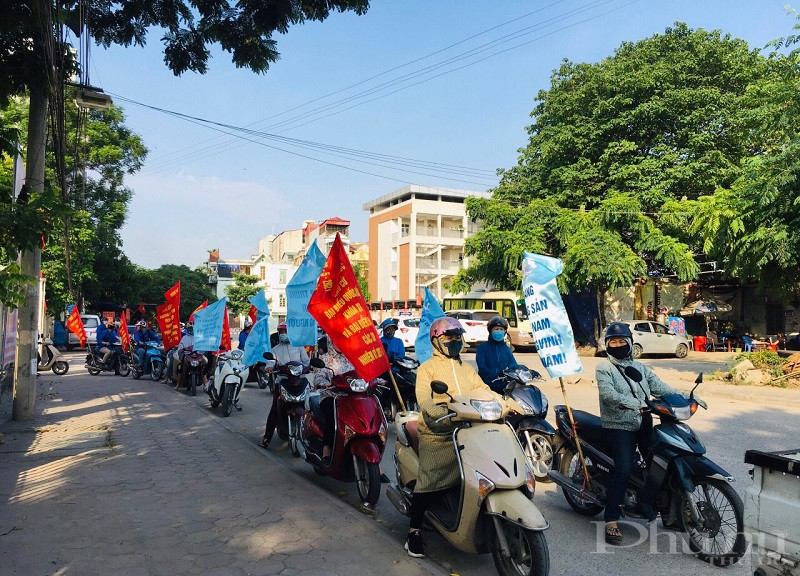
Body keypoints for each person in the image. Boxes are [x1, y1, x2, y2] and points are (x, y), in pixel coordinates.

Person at [404, 316, 508, 558]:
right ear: (437, 340)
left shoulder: (465, 368)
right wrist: (440, 412)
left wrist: (507, 402)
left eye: (457, 336)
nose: (454, 341)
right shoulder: (427, 369)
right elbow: (425, 399)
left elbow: (483, 389)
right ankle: (414, 532)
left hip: (469, 430)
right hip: (438, 432)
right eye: (449, 337)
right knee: (429, 481)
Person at [596, 321, 704, 545]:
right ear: (607, 345)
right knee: (624, 470)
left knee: (661, 465)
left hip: (643, 423)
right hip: (619, 426)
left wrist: (687, 396)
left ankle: (662, 509)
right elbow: (608, 395)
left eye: (621, 341)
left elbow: (661, 387)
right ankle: (611, 519)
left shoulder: (641, 368)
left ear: (630, 343)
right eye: (613, 342)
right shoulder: (604, 368)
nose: (617, 345)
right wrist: (635, 403)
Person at [260, 322, 310, 448]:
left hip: (299, 381)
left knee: (310, 406)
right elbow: (270, 362)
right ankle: (266, 439)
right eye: (282, 332)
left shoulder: (299, 347)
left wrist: (309, 367)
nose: (284, 334)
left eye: (286, 332)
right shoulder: (275, 350)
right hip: (282, 381)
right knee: (274, 410)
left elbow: (306, 361)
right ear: (278, 333)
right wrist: (269, 368)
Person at [475, 315, 527, 393]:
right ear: (491, 331)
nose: (499, 331)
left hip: (504, 385)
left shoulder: (506, 349)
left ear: (505, 332)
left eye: (501, 329)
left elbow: (513, 366)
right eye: (496, 329)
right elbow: (482, 367)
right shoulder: (482, 348)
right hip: (487, 385)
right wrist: (495, 375)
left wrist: (528, 372)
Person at [171, 322, 206, 389]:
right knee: (181, 367)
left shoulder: (199, 337)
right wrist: (182, 349)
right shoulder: (185, 338)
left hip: (197, 355)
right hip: (187, 355)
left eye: (193, 328)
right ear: (187, 329)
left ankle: (205, 385)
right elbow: (180, 347)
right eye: (190, 328)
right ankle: (178, 385)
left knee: (203, 367)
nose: (191, 329)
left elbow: (203, 347)